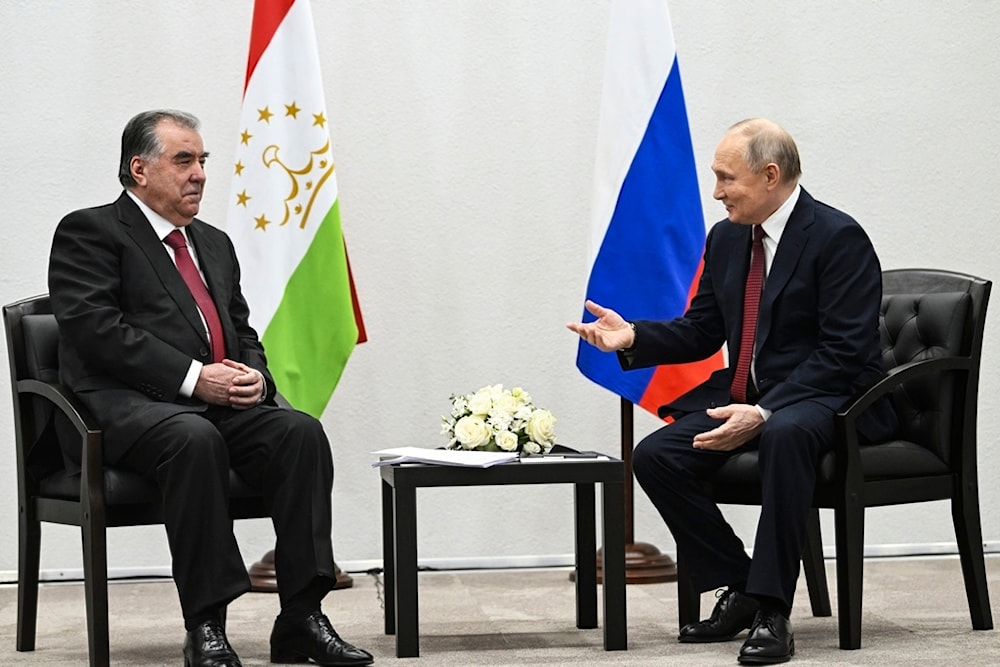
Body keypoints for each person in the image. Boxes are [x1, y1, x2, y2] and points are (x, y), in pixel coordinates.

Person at [47, 110, 373, 667]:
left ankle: (301, 615)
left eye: (202, 161)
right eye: (183, 160)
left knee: (299, 433)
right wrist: (199, 378)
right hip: (123, 410)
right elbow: (99, 332)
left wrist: (254, 375)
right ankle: (206, 624)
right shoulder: (91, 231)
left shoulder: (214, 244)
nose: (199, 173)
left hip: (210, 404)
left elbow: (241, 330)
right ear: (139, 169)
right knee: (193, 437)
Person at [568, 118, 896, 664]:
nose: (716, 192)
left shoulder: (838, 238)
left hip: (831, 396)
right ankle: (741, 584)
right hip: (750, 394)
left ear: (770, 176)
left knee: (785, 435)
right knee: (655, 457)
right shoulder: (726, 238)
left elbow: (844, 353)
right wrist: (633, 337)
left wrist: (765, 411)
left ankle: (772, 610)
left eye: (726, 179)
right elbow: (701, 330)